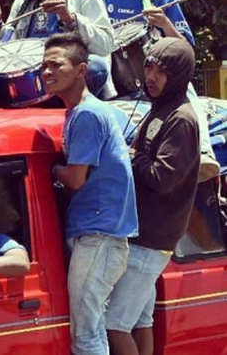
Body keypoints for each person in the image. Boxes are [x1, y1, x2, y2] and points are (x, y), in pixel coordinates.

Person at [97, 0, 218, 181]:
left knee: (187, 91)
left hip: (157, 73)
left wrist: (165, 23)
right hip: (112, 75)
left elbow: (186, 48)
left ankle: (204, 151)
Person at [44, 32, 138, 355]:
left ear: (82, 69)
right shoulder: (83, 112)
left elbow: (75, 179)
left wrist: (51, 167)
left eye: (56, 65)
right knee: (93, 327)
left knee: (86, 334)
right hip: (101, 236)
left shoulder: (86, 114)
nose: (46, 73)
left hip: (100, 236)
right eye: (43, 66)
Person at [105, 38, 200, 355]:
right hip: (143, 233)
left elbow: (163, 177)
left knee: (113, 325)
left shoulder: (181, 119)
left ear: (179, 76)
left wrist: (128, 155)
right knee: (140, 322)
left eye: (162, 72)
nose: (152, 77)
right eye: (149, 67)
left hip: (151, 238)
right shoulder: (161, 108)